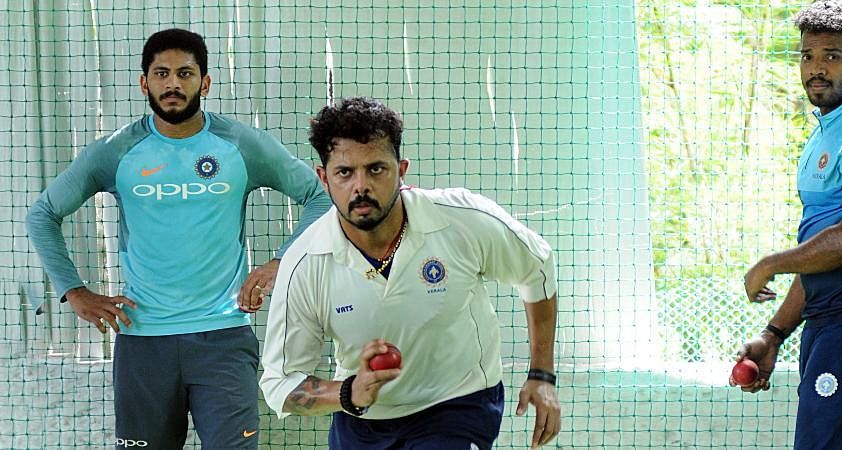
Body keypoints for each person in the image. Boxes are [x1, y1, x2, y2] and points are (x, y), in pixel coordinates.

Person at [25, 28, 332, 449]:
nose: (173, 84)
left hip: (223, 338)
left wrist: (280, 262)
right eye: (162, 73)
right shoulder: (116, 151)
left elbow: (319, 196)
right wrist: (74, 292)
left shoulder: (240, 144)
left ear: (204, 82)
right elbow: (42, 215)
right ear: (144, 82)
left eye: (185, 73)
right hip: (142, 343)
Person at [256, 96, 561, 449]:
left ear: (401, 171)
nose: (360, 186)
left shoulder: (462, 219)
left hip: (457, 404)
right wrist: (349, 391)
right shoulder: (305, 263)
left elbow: (536, 267)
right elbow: (281, 383)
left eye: (376, 169)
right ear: (324, 179)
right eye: (344, 173)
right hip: (360, 420)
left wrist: (542, 374)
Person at [735, 1, 842, 448]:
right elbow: (819, 254)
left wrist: (769, 264)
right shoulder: (827, 132)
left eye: (833, 56)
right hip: (827, 324)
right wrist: (774, 334)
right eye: (808, 55)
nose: (817, 69)